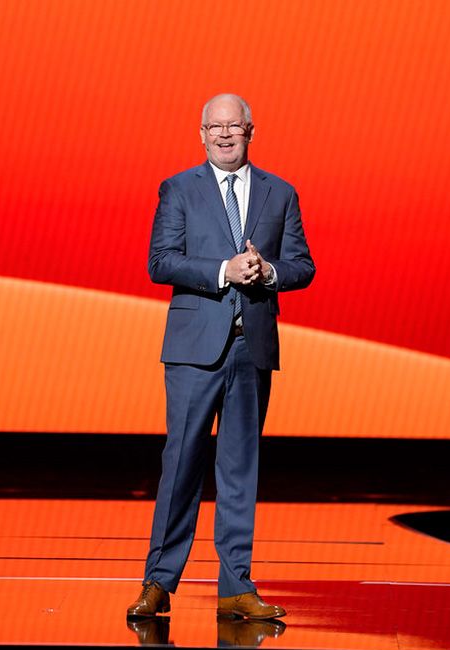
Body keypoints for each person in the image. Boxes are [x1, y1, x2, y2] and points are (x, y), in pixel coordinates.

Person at [128, 93, 315, 621]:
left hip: (251, 348)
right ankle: (158, 583)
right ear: (201, 132)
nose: (225, 135)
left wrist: (269, 272)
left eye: (234, 126)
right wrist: (223, 271)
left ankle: (236, 588)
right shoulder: (179, 189)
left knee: (240, 471)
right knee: (182, 464)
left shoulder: (281, 193)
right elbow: (161, 262)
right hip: (194, 351)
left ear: (251, 130)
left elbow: (302, 265)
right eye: (215, 127)